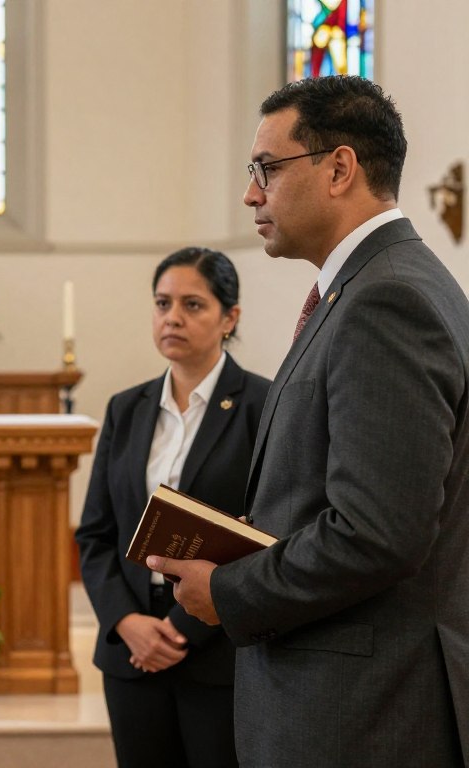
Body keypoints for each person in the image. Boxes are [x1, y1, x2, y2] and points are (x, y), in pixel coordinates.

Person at [149, 76, 469, 767]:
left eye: (266, 168)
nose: (250, 194)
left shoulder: (387, 302)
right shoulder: (373, 287)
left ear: (340, 168)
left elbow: (378, 532)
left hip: (362, 711)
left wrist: (228, 590)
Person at [76, 247, 270, 768]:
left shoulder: (263, 405)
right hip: (130, 650)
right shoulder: (126, 408)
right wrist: (126, 621)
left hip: (218, 646)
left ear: (230, 317)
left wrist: (184, 629)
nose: (173, 318)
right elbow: (95, 534)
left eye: (192, 305)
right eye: (163, 304)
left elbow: (267, 533)